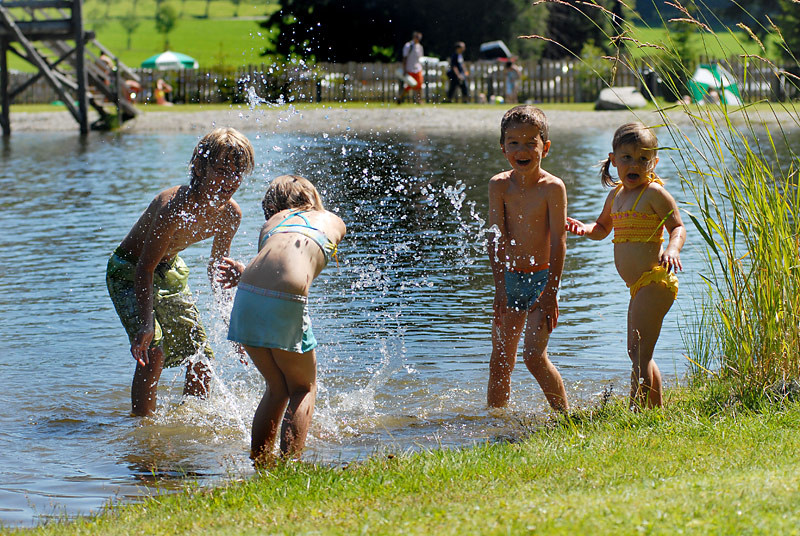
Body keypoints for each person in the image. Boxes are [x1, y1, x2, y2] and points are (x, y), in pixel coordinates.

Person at [106, 127, 255, 416]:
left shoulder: (230, 214)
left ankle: (192, 420)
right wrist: (147, 325)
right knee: (155, 350)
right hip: (129, 270)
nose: (229, 181)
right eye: (222, 170)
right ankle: (143, 427)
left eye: (237, 173)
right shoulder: (174, 207)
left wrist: (232, 325)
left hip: (170, 270)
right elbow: (144, 268)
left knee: (201, 358)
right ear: (200, 166)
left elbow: (217, 271)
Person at [217, 175, 346, 465]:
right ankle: (290, 468)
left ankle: (261, 464)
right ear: (312, 198)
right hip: (286, 297)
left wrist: (241, 274)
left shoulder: (270, 225)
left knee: (276, 388)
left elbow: (273, 263)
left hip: (247, 293)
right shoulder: (330, 219)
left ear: (271, 206)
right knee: (303, 388)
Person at [565, 122, 686, 409]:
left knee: (637, 351)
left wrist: (672, 249)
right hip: (638, 286)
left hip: (656, 281)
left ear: (653, 162)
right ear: (614, 160)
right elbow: (602, 227)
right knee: (640, 353)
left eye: (643, 159)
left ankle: (635, 411)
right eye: (627, 158)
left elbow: (678, 227)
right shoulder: (616, 195)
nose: (635, 164)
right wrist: (584, 228)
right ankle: (653, 410)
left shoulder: (654, 194)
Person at [487, 105, 568, 412]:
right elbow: (495, 237)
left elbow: (559, 241)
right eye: (514, 143)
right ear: (503, 147)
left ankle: (566, 418)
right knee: (501, 359)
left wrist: (551, 291)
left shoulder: (552, 188)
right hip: (510, 278)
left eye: (530, 143)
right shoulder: (498, 185)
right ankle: (496, 422)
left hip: (542, 279)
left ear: (544, 148)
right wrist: (500, 286)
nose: (522, 150)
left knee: (533, 356)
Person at [398, 31, 424, 105]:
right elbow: (405, 58)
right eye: (417, 38)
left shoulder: (420, 47)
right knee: (409, 86)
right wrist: (404, 69)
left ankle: (419, 100)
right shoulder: (408, 45)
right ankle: (400, 98)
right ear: (414, 37)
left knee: (419, 85)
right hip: (409, 68)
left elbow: (420, 58)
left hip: (418, 69)